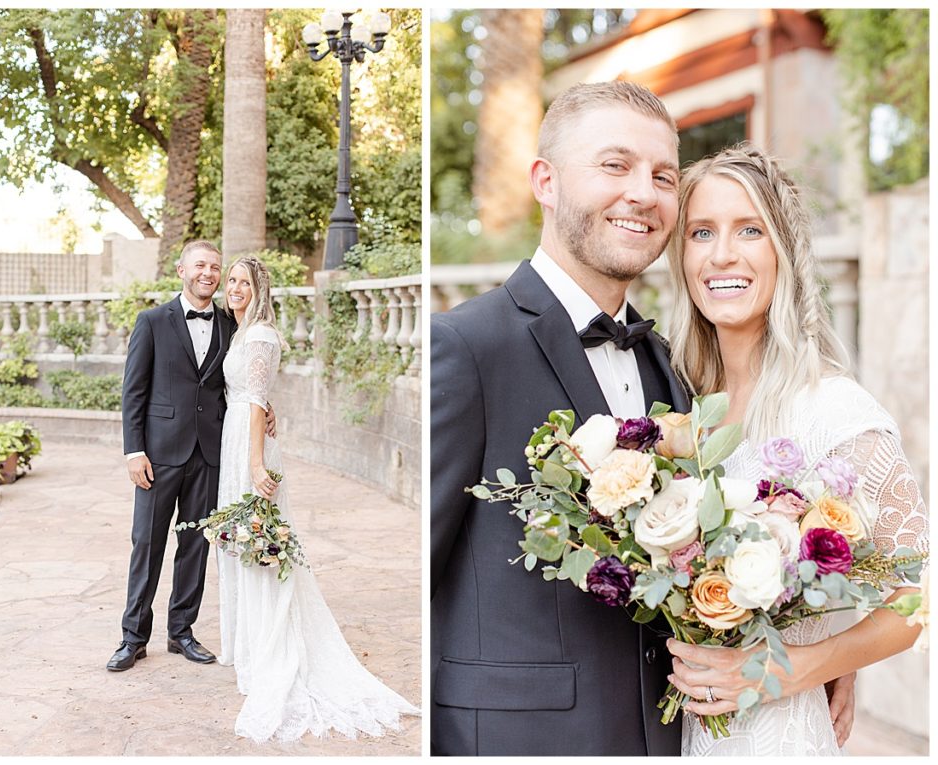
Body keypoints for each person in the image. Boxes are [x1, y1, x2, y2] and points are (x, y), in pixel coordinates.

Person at [430, 81, 690, 756]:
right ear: (545, 180)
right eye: (615, 164)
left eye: (664, 175)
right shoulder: (464, 346)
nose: (644, 193)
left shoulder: (673, 366)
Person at [661, 145, 928, 755]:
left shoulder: (833, 410)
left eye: (748, 230)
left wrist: (813, 662)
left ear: (783, 251)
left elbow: (920, 596)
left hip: (779, 736)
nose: (722, 253)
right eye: (702, 232)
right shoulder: (680, 411)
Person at [214, 255, 418, 742]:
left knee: (259, 542)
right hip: (238, 437)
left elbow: (257, 399)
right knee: (242, 544)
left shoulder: (259, 335)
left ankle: (271, 650)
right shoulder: (242, 333)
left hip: (250, 447)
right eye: (232, 281)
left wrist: (258, 464)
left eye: (245, 282)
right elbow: (255, 394)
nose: (235, 288)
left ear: (260, 289)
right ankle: (253, 646)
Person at [108, 240, 274, 671]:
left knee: (195, 546)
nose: (209, 273)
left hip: (210, 453)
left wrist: (268, 409)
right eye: (201, 265)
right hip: (158, 455)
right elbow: (133, 393)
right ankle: (133, 637)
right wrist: (134, 451)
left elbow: (245, 381)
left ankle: (181, 631)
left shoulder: (228, 325)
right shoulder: (151, 322)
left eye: (215, 267)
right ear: (181, 269)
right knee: (147, 544)